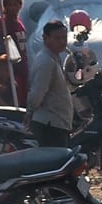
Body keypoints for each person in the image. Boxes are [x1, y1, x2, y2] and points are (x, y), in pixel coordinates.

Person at [27, 20, 76, 148]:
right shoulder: (46, 61)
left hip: (58, 122)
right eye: (57, 38)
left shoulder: (54, 57)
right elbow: (38, 92)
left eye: (64, 38)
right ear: (45, 38)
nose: (62, 42)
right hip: (50, 124)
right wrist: (30, 112)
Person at [0, 0, 30, 104]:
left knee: (24, 95)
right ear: (4, 6)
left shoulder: (18, 21)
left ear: (20, 5)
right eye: (9, 5)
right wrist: (5, 42)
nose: (12, 8)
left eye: (15, 4)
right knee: (15, 98)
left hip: (22, 64)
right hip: (10, 66)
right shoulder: (4, 21)